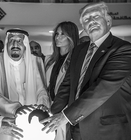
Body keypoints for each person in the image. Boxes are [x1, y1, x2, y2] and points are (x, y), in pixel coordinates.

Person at [41, 2, 131, 140]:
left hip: (108, 130)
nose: (91, 21)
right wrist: (52, 111)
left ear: (108, 21)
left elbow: (103, 88)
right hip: (76, 128)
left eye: (96, 16)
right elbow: (67, 85)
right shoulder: (78, 50)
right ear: (83, 27)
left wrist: (65, 116)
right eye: (86, 19)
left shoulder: (123, 49)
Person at [0, 28, 50, 140]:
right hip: (7, 119)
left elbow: (41, 89)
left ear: (25, 45)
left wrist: (42, 105)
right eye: (11, 41)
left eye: (19, 41)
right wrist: (15, 109)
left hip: (31, 117)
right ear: (6, 44)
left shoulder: (35, 61)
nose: (15, 44)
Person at [45, 21, 79, 140]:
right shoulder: (49, 60)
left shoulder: (76, 60)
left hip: (65, 109)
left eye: (62, 34)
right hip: (49, 105)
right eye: (57, 34)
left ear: (71, 36)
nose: (58, 37)